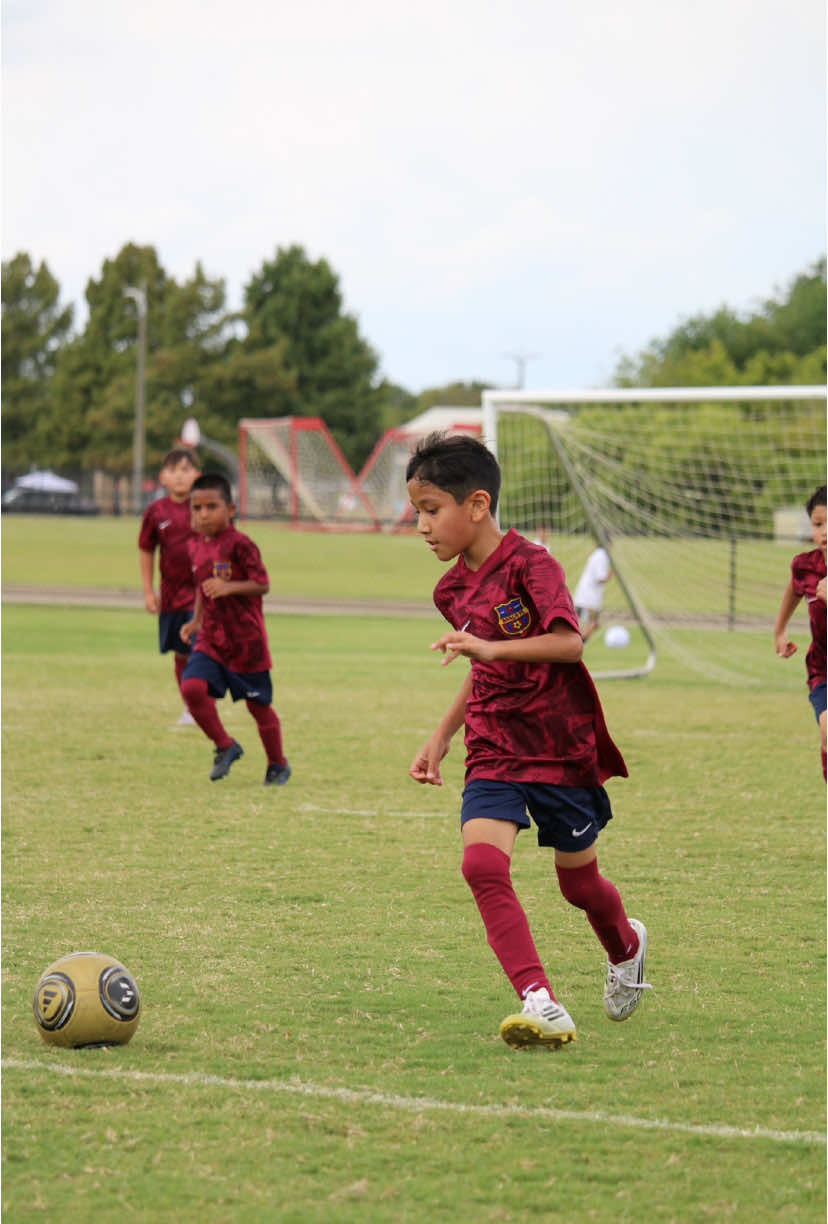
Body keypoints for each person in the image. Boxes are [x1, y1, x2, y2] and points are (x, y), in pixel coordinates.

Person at [406, 433, 649, 1051]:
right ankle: (539, 1000)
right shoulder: (448, 591)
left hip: (558, 745)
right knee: (481, 865)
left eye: (431, 510)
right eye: (417, 512)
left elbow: (569, 644)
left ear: (477, 505)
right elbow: (479, 664)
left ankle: (626, 946)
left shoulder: (531, 565)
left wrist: (489, 648)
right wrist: (442, 735)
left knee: (579, 887)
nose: (421, 526)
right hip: (493, 744)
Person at [179, 473, 291, 787]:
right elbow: (202, 587)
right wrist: (196, 621)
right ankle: (225, 745)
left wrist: (229, 587)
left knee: (258, 706)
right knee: (191, 688)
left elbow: (262, 584)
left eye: (211, 507)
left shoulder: (241, 544)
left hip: (246, 642)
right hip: (211, 638)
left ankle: (277, 764)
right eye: (197, 508)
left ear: (229, 509)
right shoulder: (195, 546)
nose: (203, 514)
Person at [138, 448, 201, 725]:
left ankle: (203, 702)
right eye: (173, 470)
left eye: (186, 470)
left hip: (202, 595)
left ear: (197, 475)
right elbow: (146, 549)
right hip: (172, 596)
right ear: (163, 477)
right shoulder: (156, 512)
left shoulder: (206, 506)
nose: (179, 476)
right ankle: (191, 707)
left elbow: (225, 545)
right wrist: (148, 591)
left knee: (202, 649)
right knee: (182, 652)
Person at [773, 484, 827, 781]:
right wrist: (780, 632)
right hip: (822, 667)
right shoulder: (806, 566)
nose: (824, 532)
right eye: (818, 524)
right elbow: (794, 590)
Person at [572, 543, 612, 643]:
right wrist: (610, 573)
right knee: (592, 622)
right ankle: (577, 644)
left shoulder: (597, 554)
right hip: (589, 597)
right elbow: (600, 578)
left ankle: (577, 643)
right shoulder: (601, 556)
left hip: (585, 595)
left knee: (590, 622)